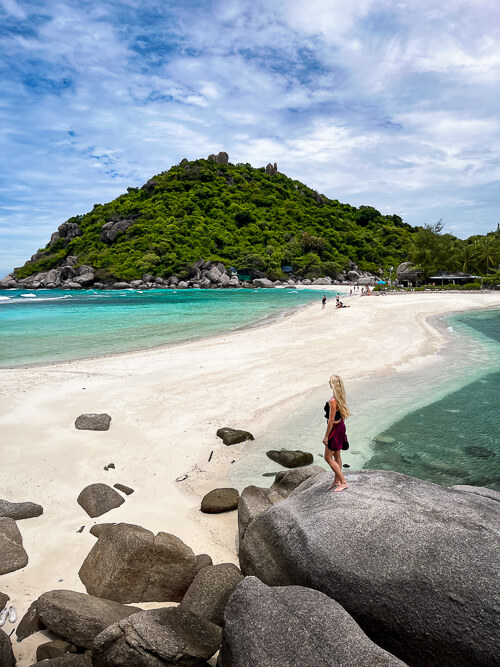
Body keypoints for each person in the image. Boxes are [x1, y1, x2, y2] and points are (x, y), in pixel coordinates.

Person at [323, 374, 351, 492]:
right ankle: (336, 480)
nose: (329, 383)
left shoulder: (333, 401)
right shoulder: (340, 397)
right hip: (340, 427)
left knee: (328, 457)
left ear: (333, 384)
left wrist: (326, 436)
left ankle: (343, 482)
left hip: (334, 429)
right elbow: (340, 416)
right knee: (337, 455)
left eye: (330, 381)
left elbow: (330, 420)